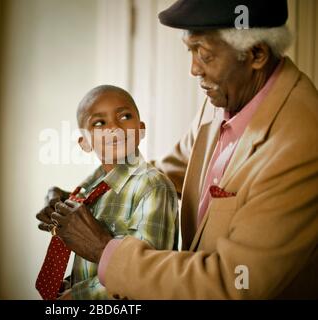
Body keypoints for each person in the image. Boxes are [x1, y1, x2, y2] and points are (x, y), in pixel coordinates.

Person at [38, 0, 318, 299]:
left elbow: (233, 282)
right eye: (190, 50)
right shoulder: (225, 101)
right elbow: (161, 175)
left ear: (256, 54)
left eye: (205, 54)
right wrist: (86, 197)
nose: (193, 69)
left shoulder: (303, 143)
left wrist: (103, 249)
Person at [37, 85, 178, 300]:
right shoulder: (88, 190)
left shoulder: (153, 187)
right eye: (99, 123)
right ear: (84, 143)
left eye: (124, 116)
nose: (114, 128)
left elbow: (145, 277)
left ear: (140, 130)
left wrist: (74, 298)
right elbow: (90, 266)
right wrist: (69, 286)